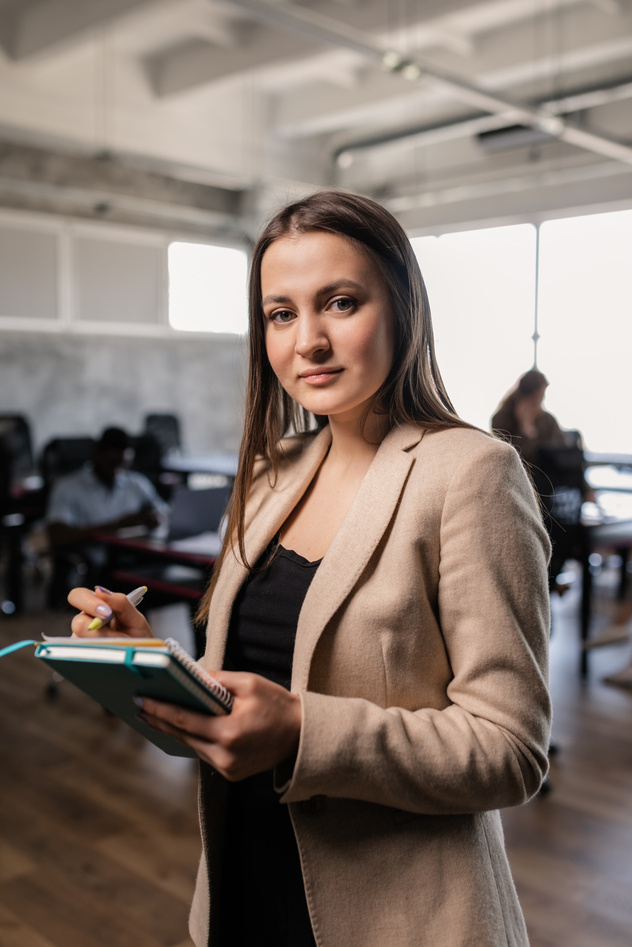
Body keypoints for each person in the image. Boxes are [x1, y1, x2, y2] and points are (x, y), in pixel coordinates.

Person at [68, 192, 552, 947]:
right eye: (281, 313)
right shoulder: (273, 471)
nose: (309, 341)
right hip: (243, 887)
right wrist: (148, 662)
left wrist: (303, 731)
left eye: (340, 302)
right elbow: (248, 694)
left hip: (400, 917)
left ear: (402, 308)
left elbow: (511, 750)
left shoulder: (472, 474)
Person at [46, 426, 168, 601]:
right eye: (112, 463)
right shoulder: (68, 488)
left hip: (135, 561)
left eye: (122, 464)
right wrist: (116, 525)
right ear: (97, 455)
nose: (117, 470)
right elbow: (57, 536)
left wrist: (153, 518)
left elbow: (164, 514)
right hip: (96, 568)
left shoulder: (136, 483)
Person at [491, 368, 567, 465]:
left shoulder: (547, 420)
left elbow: (563, 450)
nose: (538, 404)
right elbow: (512, 459)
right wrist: (526, 427)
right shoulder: (501, 421)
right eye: (536, 398)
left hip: (549, 475)